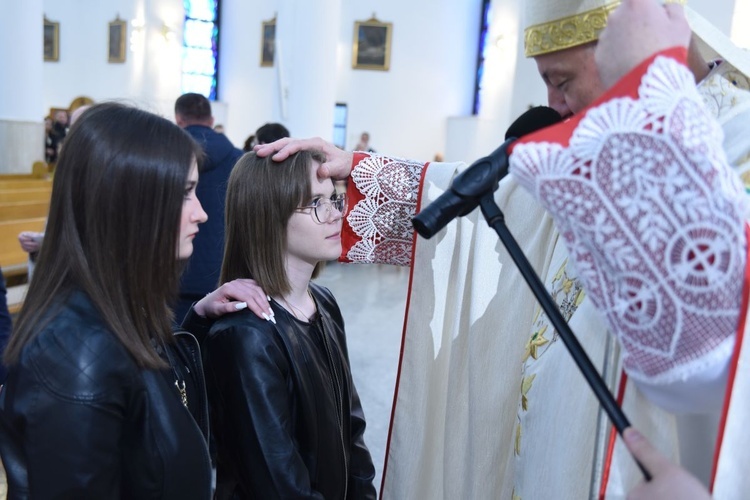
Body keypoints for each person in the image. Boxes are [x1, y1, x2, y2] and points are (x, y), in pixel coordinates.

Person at [255, 0, 750, 497]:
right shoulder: (603, 139)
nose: (553, 104)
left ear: (628, 57)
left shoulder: (736, 143)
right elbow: (507, 202)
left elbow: (700, 344)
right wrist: (362, 175)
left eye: (562, 80)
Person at [0, 102, 216, 498]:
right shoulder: (75, 355)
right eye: (186, 193)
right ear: (131, 204)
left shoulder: (120, 309)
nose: (201, 213)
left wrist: (198, 320)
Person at [202, 151, 377, 499]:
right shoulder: (246, 335)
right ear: (268, 215)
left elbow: (352, 430)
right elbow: (279, 485)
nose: (335, 215)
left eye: (333, 199)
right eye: (315, 203)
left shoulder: (323, 302)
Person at [173, 93, 243, 322]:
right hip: (223, 278)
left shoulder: (167, 160)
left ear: (178, 120)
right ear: (212, 121)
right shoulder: (239, 161)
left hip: (172, 278)